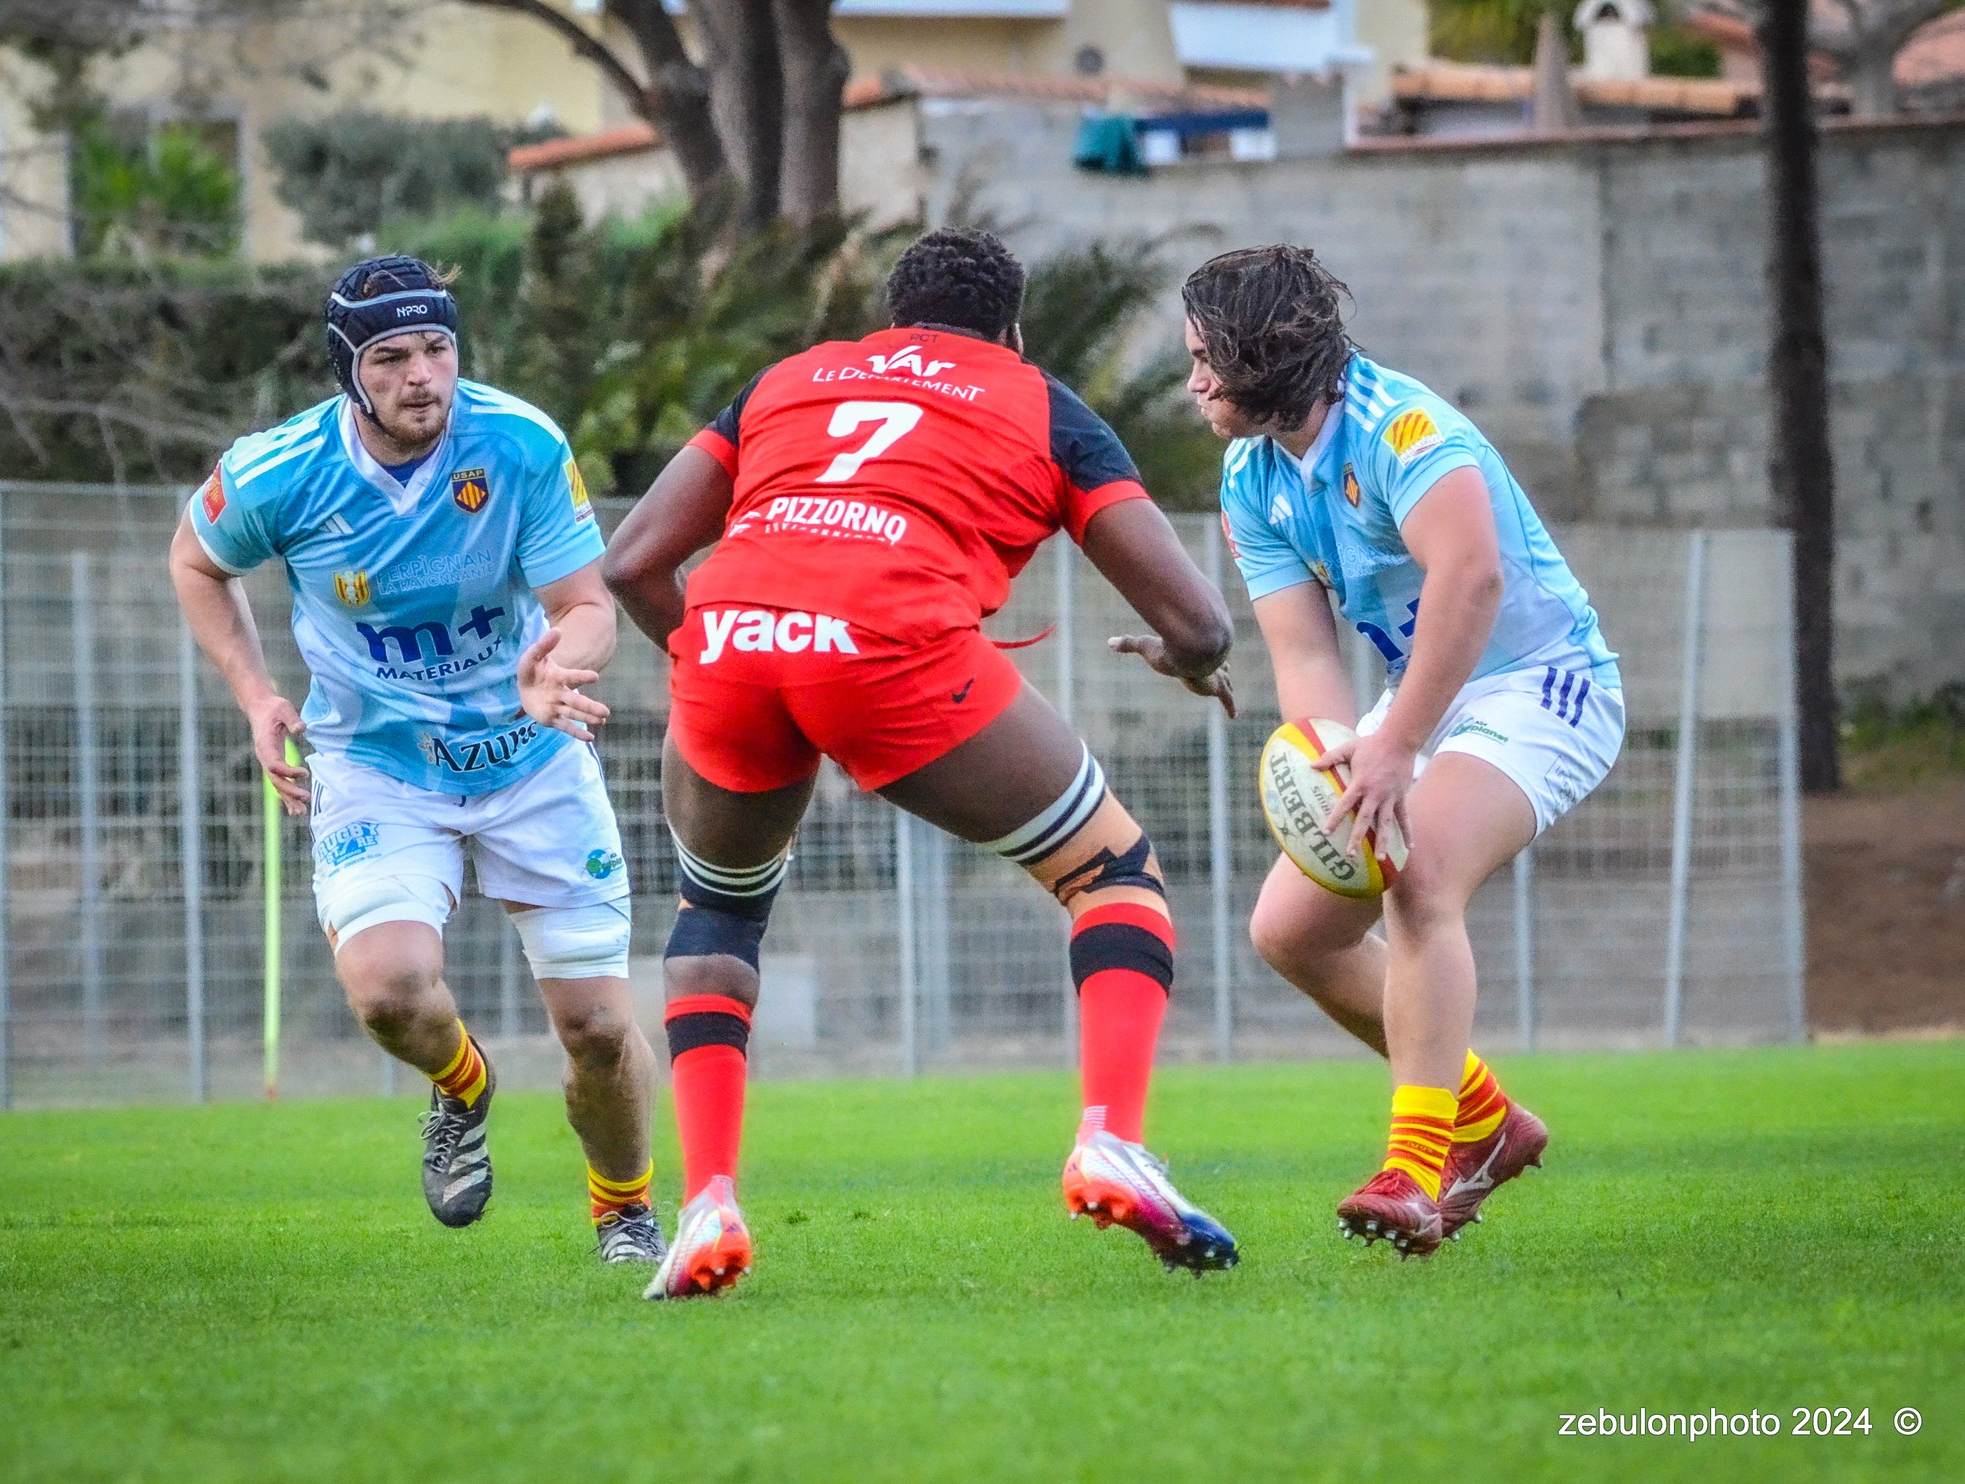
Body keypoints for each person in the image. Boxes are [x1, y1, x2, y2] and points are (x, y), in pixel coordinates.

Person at [604, 228, 1241, 1300]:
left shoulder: (787, 381)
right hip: (891, 644)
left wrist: (735, 659)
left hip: (727, 636)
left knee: (713, 920)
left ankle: (707, 1198)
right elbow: (1200, 620)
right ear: (1012, 328)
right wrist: (1184, 660)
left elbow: (631, 562)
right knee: (1111, 874)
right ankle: (1106, 1138)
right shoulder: (1037, 399)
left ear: (893, 317)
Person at [168, 255, 666, 1264]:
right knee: (390, 986)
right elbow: (195, 559)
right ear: (349, 370)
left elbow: (587, 605)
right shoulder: (279, 471)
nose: (421, 375)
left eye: (436, 348)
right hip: (378, 763)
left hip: (532, 757)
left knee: (601, 1031)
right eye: (391, 356)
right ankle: (463, 1086)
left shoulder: (518, 441)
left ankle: (623, 1208)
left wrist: (554, 670)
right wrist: (258, 695)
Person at [1182, 244, 1624, 1258]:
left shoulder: (1403, 427)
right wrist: (1340, 750)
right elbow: (1301, 651)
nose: (1193, 380)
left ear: (1263, 356)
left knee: (1413, 871)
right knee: (1289, 928)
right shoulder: (1250, 475)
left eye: (1207, 356)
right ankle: (1490, 1120)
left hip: (1542, 683)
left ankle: (1415, 1170)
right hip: (1417, 703)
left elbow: (1470, 582)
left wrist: (1396, 744)